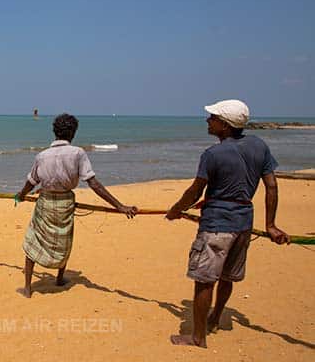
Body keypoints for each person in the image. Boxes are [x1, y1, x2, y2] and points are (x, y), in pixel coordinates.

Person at [166, 99, 289, 348]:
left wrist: (176, 210)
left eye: (212, 117)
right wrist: (271, 225)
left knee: (204, 280)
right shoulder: (259, 145)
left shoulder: (212, 154)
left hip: (217, 225)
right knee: (227, 276)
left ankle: (198, 337)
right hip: (244, 222)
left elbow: (195, 191)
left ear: (225, 125)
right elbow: (271, 185)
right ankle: (214, 317)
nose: (207, 120)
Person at [15, 113, 137, 298]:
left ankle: (27, 288)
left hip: (45, 202)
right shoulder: (78, 153)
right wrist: (119, 206)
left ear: (54, 132)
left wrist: (21, 195)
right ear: (72, 133)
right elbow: (93, 183)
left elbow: (32, 181)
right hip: (65, 203)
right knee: (64, 240)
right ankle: (59, 278)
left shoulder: (42, 156)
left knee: (34, 240)